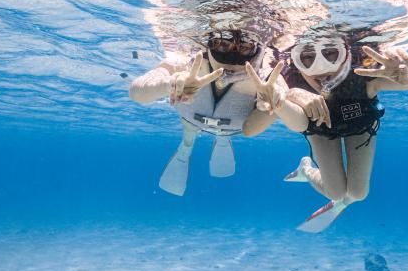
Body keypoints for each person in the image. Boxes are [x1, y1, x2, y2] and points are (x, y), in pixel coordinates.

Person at [281, 34, 408, 232]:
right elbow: (271, 92)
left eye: (331, 53)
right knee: (337, 192)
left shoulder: (364, 74)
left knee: (358, 193)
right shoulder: (291, 77)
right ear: (296, 59)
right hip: (321, 128)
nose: (320, 68)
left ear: (346, 54)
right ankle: (306, 169)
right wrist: (291, 93)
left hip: (359, 124)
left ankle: (332, 187)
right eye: (306, 57)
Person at [128, 28, 304, 196]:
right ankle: (186, 148)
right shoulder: (187, 62)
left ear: (257, 50)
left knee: (217, 132)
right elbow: (137, 92)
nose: (232, 58)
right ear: (208, 44)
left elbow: (289, 123)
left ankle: (221, 139)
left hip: (232, 126)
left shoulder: (267, 75)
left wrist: (277, 105)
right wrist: (168, 85)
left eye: (245, 47)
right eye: (221, 44)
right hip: (191, 119)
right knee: (189, 133)